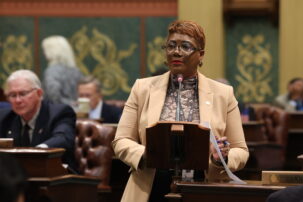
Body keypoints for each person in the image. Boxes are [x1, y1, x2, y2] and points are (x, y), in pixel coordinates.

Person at [112, 20, 249, 202]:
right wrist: (147, 155)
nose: (176, 52)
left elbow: (241, 151)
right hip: (150, 185)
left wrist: (220, 158)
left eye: (185, 46)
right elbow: (121, 140)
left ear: (201, 55)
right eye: (170, 46)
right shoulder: (142, 88)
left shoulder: (223, 93)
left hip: (204, 185)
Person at [0, 69, 77, 171]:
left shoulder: (59, 113)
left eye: (23, 94)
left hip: (58, 177)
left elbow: (63, 138)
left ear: (39, 93)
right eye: (13, 95)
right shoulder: (5, 117)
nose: (18, 100)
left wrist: (38, 151)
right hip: (17, 180)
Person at [42, 35, 83, 108]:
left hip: (59, 112)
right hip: (78, 111)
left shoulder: (51, 72)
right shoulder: (76, 71)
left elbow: (54, 97)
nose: (44, 54)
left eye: (45, 50)